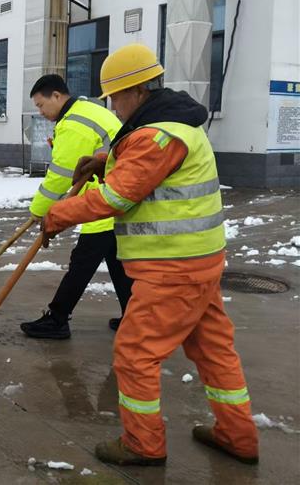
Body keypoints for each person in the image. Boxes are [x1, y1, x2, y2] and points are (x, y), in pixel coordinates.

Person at [41, 43, 258, 466]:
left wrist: (57, 215)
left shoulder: (157, 135)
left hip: (171, 270)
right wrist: (104, 160)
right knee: (214, 351)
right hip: (200, 263)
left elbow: (117, 197)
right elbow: (145, 169)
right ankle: (238, 435)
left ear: (138, 91)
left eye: (115, 97)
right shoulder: (175, 124)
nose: (113, 106)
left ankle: (143, 444)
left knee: (135, 355)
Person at [21, 74, 132, 339]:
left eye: (41, 105)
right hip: (118, 196)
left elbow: (60, 176)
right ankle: (133, 317)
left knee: (82, 262)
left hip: (107, 200)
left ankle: (57, 319)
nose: (40, 111)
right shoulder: (87, 110)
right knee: (117, 262)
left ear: (57, 96)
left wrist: (38, 211)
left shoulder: (74, 124)